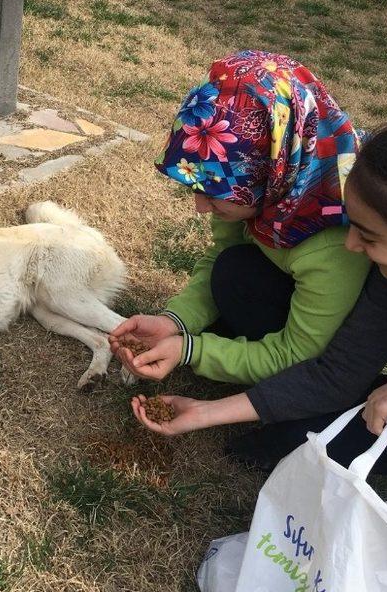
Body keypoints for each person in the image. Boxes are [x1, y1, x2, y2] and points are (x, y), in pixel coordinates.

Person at [130, 120, 387, 483]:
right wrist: (206, 411)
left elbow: (305, 359)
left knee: (316, 434)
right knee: (306, 430)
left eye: (370, 237)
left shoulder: (335, 253)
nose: (352, 246)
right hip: (335, 347)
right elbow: (339, 373)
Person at [110, 50, 369, 387]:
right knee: (232, 269)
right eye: (197, 187)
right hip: (285, 287)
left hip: (338, 344)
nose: (200, 207)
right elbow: (222, 254)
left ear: (273, 172)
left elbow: (296, 356)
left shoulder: (338, 239)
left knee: (237, 280)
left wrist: (191, 351)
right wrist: (176, 321)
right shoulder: (263, 185)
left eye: (214, 194)